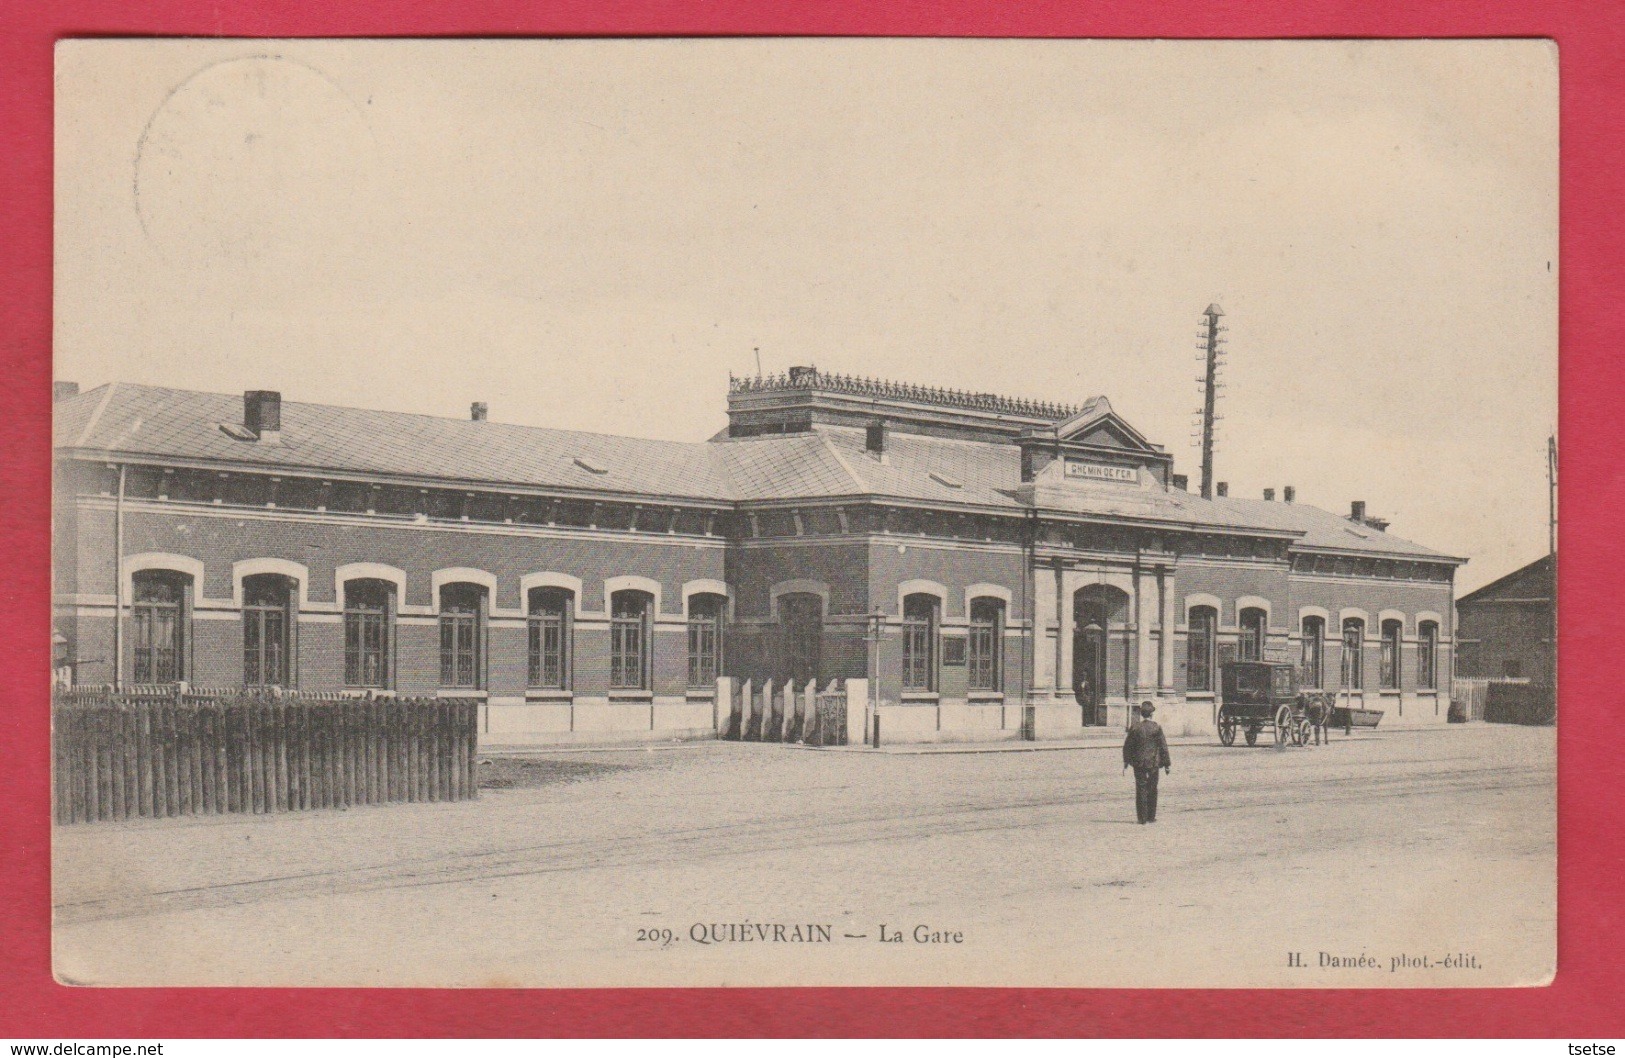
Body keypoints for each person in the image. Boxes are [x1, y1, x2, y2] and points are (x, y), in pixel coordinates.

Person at [1122, 700, 1172, 824]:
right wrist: (1167, 764)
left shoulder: (1135, 727)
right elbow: (1163, 746)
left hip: (1138, 763)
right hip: (1153, 763)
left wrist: (1126, 762)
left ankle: (1142, 818)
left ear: (1142, 714)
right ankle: (1151, 816)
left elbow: (1127, 746)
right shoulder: (1156, 727)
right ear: (1151, 714)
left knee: (1141, 789)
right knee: (1153, 789)